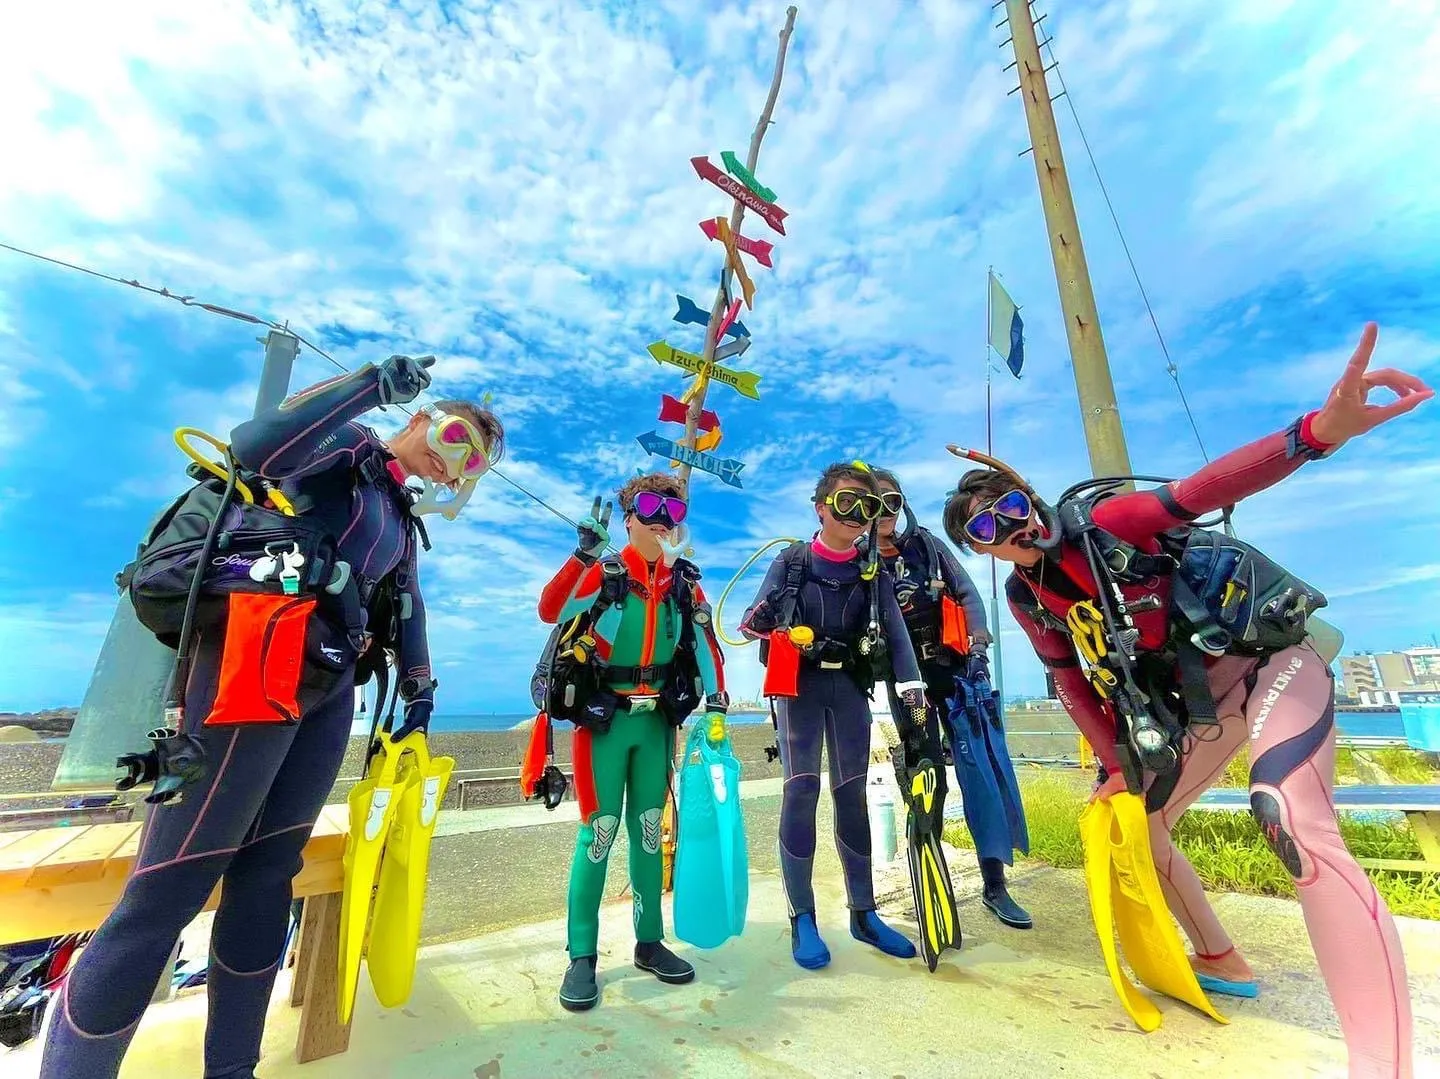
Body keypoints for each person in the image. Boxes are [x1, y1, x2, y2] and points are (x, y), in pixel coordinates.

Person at [941, 323, 1430, 1079]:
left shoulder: (1106, 527)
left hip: (1274, 665)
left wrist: (1313, 434)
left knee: (1289, 817)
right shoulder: (1027, 598)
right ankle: (1219, 956)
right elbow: (1071, 681)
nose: (1009, 524)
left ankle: (1382, 1063)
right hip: (1203, 706)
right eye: (985, 527)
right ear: (982, 550)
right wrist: (1114, 766)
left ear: (1027, 499)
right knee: (1142, 824)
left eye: (1008, 505)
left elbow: (1200, 489)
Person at [40, 355, 503, 1079]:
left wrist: (420, 694)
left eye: (472, 462)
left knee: (269, 874)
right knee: (170, 886)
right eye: (454, 437)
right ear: (421, 418)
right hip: (253, 667)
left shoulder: (397, 512)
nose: (456, 462)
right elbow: (256, 447)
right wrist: (372, 385)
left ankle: (233, 1069)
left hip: (327, 690)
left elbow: (408, 605)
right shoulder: (346, 448)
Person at [536, 471, 729, 1013]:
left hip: (655, 724)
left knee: (648, 833)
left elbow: (706, 642)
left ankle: (649, 941)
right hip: (604, 722)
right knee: (598, 834)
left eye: (674, 511)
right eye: (650, 507)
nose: (663, 520)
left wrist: (717, 707)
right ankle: (582, 955)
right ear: (628, 519)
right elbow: (552, 609)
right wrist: (582, 555)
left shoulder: (684, 584)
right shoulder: (605, 574)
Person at [740, 461, 928, 970]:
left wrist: (912, 689)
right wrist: (770, 619)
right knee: (801, 791)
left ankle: (863, 914)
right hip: (798, 689)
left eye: (867, 506)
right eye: (846, 503)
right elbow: (750, 622)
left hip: (848, 688)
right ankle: (802, 918)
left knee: (852, 794)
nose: (856, 515)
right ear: (821, 508)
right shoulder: (791, 561)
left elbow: (896, 632)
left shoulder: (872, 571)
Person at [872, 467, 1033, 929]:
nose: (885, 512)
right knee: (926, 782)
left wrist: (978, 649)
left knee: (983, 773)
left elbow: (969, 595)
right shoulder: (862, 564)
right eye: (874, 505)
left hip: (958, 674)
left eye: (892, 502)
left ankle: (995, 885)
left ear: (902, 505)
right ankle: (930, 881)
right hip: (909, 687)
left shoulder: (928, 547)